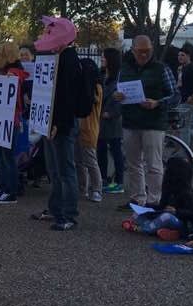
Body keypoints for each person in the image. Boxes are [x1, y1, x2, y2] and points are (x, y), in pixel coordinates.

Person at [113, 35, 179, 211]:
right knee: (133, 163)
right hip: (131, 122)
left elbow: (176, 96)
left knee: (153, 164)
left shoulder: (161, 68)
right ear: (132, 50)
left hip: (153, 123)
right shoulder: (124, 69)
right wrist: (116, 96)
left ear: (152, 49)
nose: (143, 54)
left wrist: (158, 103)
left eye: (147, 51)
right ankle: (137, 198)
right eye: (140, 51)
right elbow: (117, 92)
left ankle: (154, 201)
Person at [30, 16, 84, 231]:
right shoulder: (58, 58)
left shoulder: (68, 61)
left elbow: (67, 97)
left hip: (61, 124)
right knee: (55, 170)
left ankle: (68, 214)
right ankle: (56, 209)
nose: (46, 36)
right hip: (52, 122)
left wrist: (58, 124)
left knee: (64, 171)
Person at [0, 42, 27, 204]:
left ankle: (10, 191)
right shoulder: (8, 72)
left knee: (7, 157)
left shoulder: (15, 74)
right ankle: (3, 188)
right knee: (1, 157)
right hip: (2, 119)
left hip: (11, 120)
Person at [121, 157, 193, 241]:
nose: (165, 170)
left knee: (166, 217)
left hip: (182, 222)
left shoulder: (188, 193)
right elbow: (161, 206)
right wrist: (147, 208)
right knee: (137, 214)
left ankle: (142, 229)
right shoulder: (168, 187)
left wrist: (176, 211)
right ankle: (164, 231)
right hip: (165, 217)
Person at [75, 58, 104, 203]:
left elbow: (93, 100)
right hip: (79, 126)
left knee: (90, 160)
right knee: (79, 160)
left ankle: (97, 189)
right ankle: (83, 188)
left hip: (89, 126)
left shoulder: (95, 87)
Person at [98, 48, 125, 194]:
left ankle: (119, 181)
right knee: (101, 150)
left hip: (112, 119)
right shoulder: (102, 75)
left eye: (104, 57)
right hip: (101, 117)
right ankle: (103, 179)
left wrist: (113, 113)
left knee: (116, 150)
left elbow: (123, 97)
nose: (102, 59)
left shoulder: (119, 78)